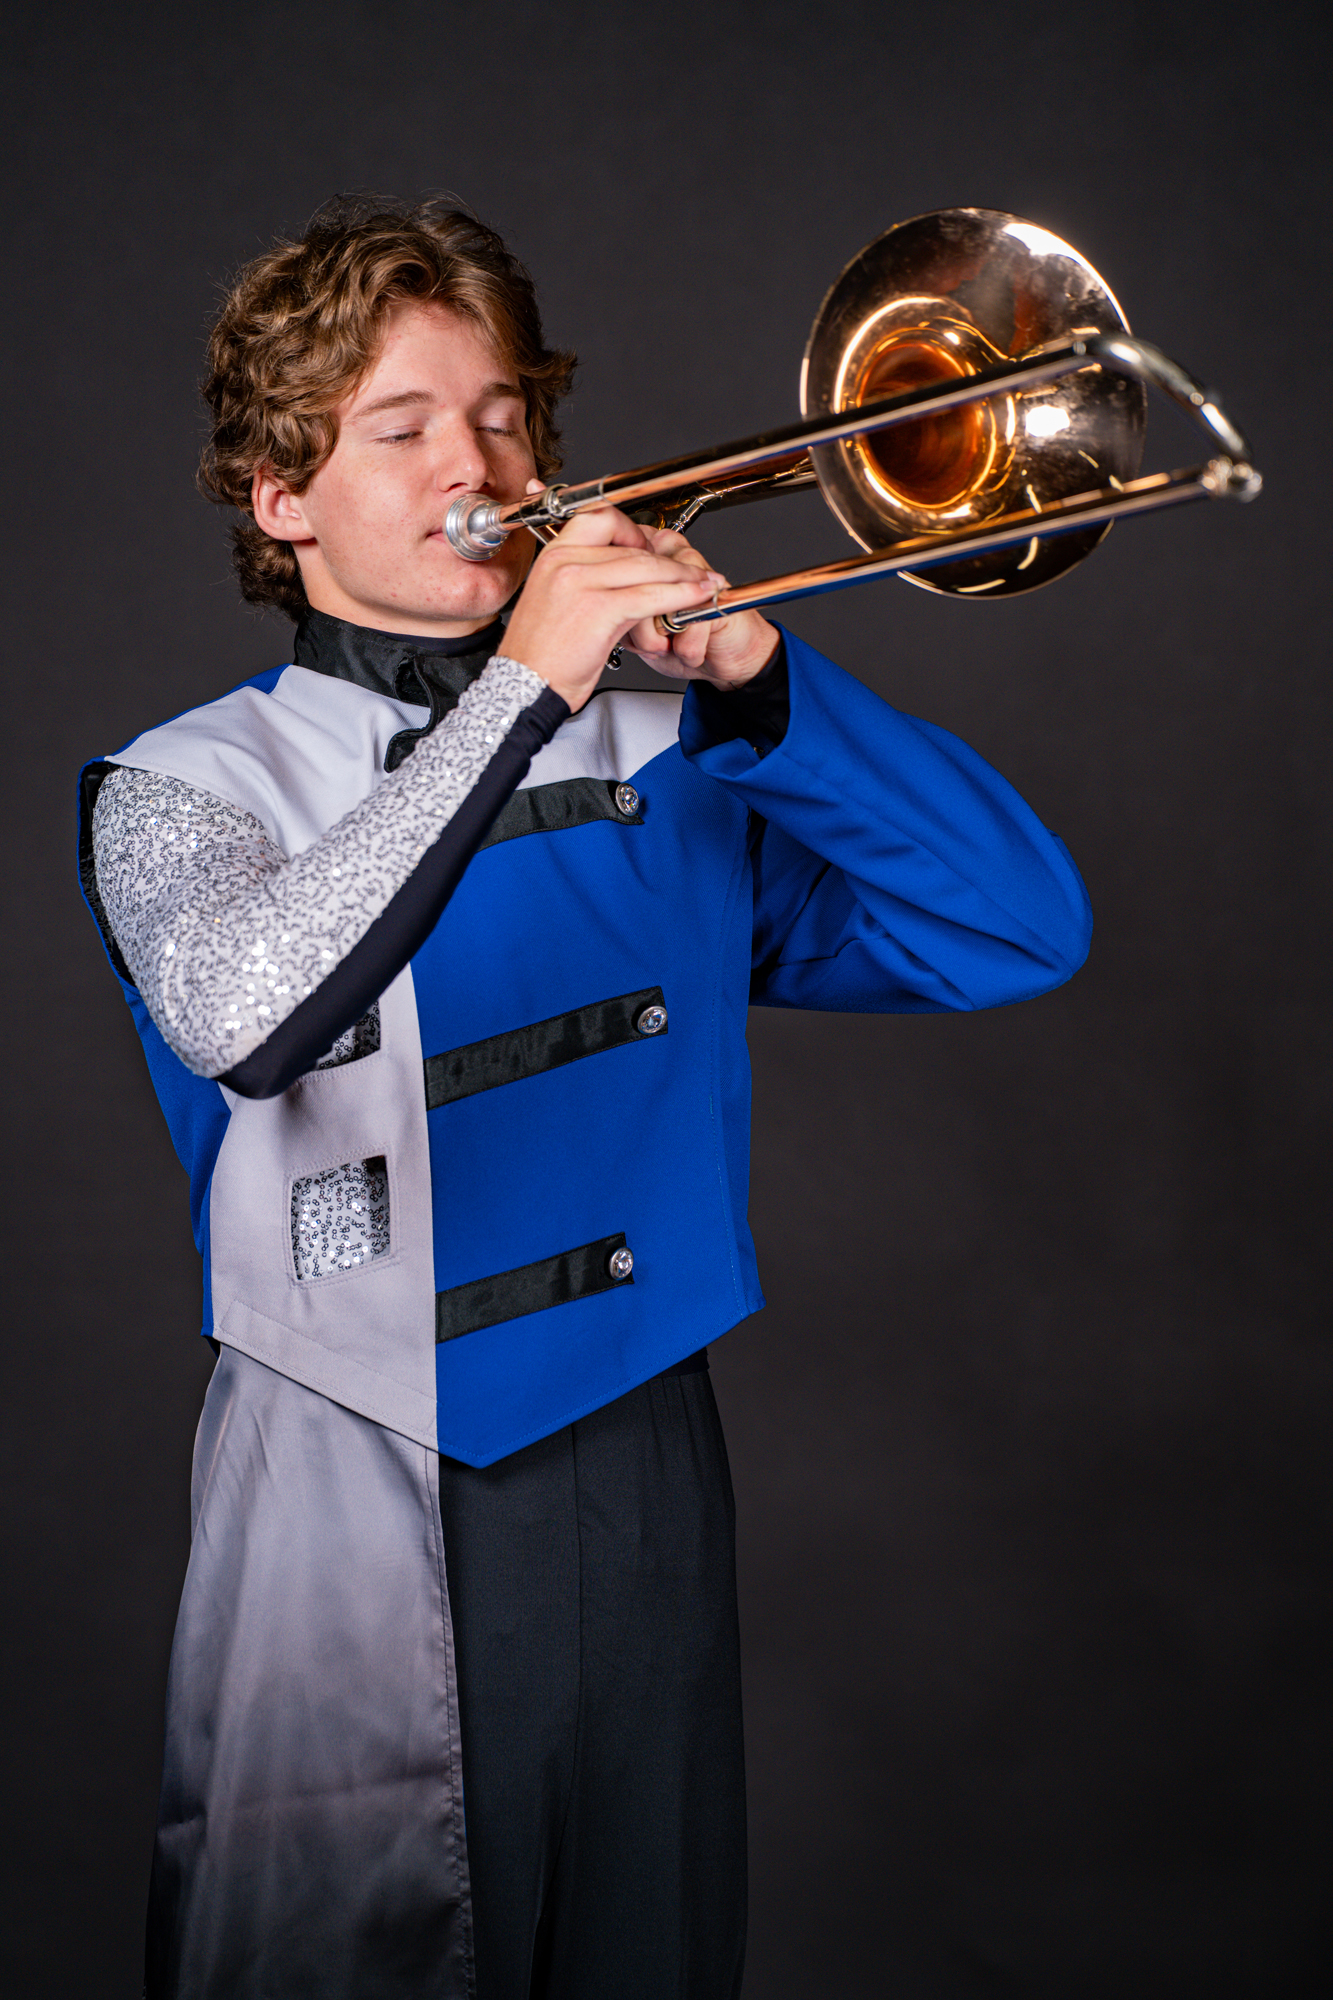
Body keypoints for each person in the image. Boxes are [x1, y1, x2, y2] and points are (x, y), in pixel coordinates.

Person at [78, 197, 1093, 2000]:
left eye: (500, 417)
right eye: (399, 429)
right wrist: (528, 685)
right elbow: (246, 1016)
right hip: (347, 1453)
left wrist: (771, 688)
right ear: (279, 496)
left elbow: (1017, 928)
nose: (473, 466)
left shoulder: (675, 753)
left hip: (638, 1458)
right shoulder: (182, 785)